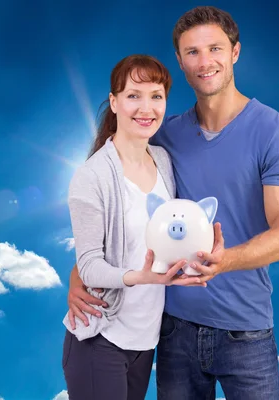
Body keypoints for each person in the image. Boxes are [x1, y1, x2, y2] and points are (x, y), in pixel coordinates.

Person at [65, 6, 279, 400]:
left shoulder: (275, 132)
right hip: (173, 331)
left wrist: (223, 260)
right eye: (192, 52)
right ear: (180, 60)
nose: (205, 62)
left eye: (215, 49)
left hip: (246, 331)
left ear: (235, 52)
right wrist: (81, 273)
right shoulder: (165, 137)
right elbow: (121, 208)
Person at [61, 54, 207, 400]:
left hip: (145, 340)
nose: (146, 107)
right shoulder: (91, 177)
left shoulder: (163, 161)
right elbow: (91, 265)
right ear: (114, 103)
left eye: (156, 96)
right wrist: (140, 277)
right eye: (133, 95)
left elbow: (168, 235)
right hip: (101, 338)